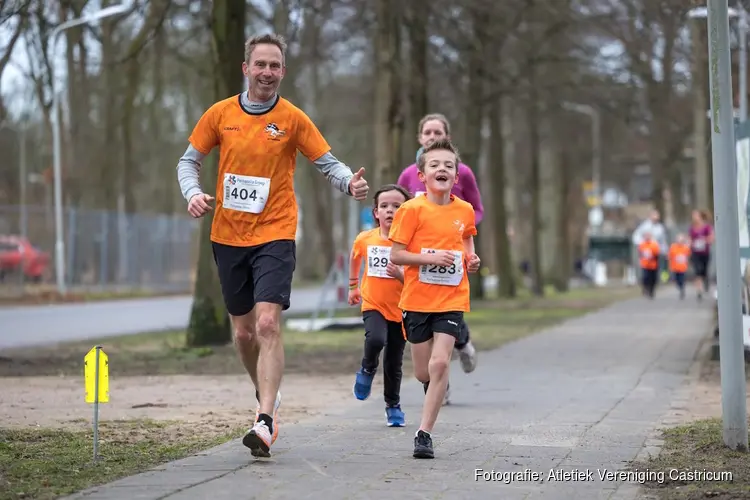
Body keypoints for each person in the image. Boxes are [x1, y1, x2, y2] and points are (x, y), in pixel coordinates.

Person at [176, 33, 369, 458]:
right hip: (227, 236)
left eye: (275, 66)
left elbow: (326, 162)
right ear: (246, 68)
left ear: (283, 71)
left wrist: (348, 183)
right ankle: (267, 393)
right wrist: (192, 192)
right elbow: (189, 160)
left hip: (276, 233)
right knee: (243, 333)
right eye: (260, 64)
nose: (267, 72)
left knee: (266, 324)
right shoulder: (220, 114)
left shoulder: (293, 118)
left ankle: (264, 420)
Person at [389, 138, 481, 459]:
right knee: (423, 372)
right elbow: (397, 255)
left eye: (449, 165)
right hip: (416, 300)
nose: (442, 168)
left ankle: (424, 434)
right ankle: (434, 389)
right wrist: (428, 259)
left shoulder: (464, 210)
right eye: (434, 165)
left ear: (456, 177)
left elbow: (467, 240)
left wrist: (471, 259)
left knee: (440, 362)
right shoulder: (411, 210)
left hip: (452, 299)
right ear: (422, 174)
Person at [397, 113, 483, 406]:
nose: (432, 137)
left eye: (438, 132)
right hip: (420, 260)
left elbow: (476, 210)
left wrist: (461, 233)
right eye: (427, 132)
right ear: (420, 138)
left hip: (453, 251)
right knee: (425, 332)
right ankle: (436, 377)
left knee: (447, 317)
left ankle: (456, 354)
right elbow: (401, 208)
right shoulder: (410, 174)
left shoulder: (463, 173)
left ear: (446, 136)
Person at [348, 184, 411, 427]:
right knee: (375, 340)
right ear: (375, 212)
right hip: (373, 303)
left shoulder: (411, 244)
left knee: (394, 362)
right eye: (384, 206)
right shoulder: (366, 239)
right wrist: (353, 286)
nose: (390, 210)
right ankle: (367, 368)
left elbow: (416, 279)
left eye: (397, 206)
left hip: (402, 308)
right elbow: (355, 259)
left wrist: (400, 275)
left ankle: (392, 405)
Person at [632, 209, 668, 276]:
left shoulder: (660, 228)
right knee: (645, 268)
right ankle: (646, 282)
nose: (656, 217)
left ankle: (653, 282)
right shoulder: (645, 226)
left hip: (655, 251)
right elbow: (636, 236)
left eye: (657, 215)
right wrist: (642, 244)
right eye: (654, 215)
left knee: (654, 269)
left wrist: (664, 250)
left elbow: (662, 241)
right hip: (646, 251)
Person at [689, 209, 714, 301]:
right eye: (693, 215)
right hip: (695, 253)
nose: (694, 217)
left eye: (696, 215)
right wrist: (691, 243)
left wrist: (704, 240)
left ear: (700, 216)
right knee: (697, 271)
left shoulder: (706, 227)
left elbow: (711, 238)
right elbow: (690, 239)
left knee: (704, 271)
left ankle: (706, 280)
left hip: (705, 253)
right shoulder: (692, 228)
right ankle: (699, 291)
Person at [668, 234, 691, 300]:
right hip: (675, 267)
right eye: (679, 240)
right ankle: (679, 286)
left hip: (682, 267)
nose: (680, 241)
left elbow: (688, 256)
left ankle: (682, 289)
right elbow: (670, 256)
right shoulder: (673, 247)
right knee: (676, 279)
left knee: (682, 279)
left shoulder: (685, 248)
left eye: (681, 240)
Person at [638, 231, 660, 298]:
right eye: (646, 236)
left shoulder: (654, 245)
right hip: (645, 264)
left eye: (648, 236)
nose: (647, 237)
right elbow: (640, 254)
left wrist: (653, 257)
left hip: (653, 265)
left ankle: (651, 290)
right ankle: (645, 288)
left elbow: (657, 255)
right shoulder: (642, 245)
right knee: (645, 277)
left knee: (653, 279)